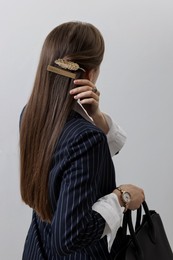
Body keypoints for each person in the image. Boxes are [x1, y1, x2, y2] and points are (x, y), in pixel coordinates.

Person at [19, 21, 145, 260]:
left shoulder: (30, 115)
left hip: (37, 249)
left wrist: (95, 116)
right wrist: (122, 197)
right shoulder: (87, 138)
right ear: (90, 74)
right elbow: (70, 238)